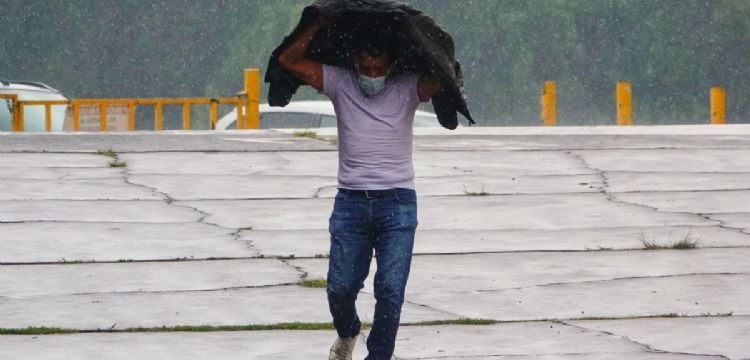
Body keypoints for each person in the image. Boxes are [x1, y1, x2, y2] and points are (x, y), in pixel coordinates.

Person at [277, 16, 444, 360]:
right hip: (351, 203)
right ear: (354, 63)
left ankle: (378, 355)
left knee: (391, 289)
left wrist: (417, 36)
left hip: (397, 203)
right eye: (365, 67)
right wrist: (315, 24)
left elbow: (445, 75)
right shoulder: (340, 82)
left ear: (391, 64)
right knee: (340, 288)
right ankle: (348, 331)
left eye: (378, 68)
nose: (371, 75)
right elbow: (288, 61)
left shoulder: (408, 86)